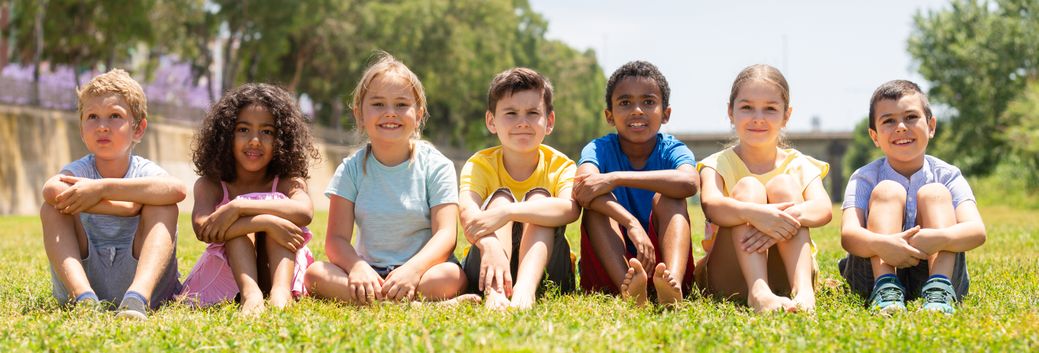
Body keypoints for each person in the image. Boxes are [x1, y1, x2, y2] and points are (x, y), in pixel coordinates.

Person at [304, 53, 472, 305]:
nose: (390, 113)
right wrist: (358, 267)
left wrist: (413, 270)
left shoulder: (437, 165)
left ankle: (379, 301)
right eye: (378, 104)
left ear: (418, 115)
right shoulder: (350, 169)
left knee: (452, 276)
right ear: (360, 114)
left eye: (402, 104)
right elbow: (336, 240)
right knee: (315, 274)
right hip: (370, 273)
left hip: (424, 271)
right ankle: (406, 304)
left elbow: (446, 235)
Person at [41, 69, 186, 320]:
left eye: (115, 116)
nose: (102, 127)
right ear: (82, 128)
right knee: (52, 208)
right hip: (88, 274)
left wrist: (102, 188)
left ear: (138, 129)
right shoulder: (81, 169)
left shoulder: (143, 170)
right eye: (93, 117)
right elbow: (51, 190)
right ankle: (83, 299)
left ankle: (137, 298)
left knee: (163, 205)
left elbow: (177, 190)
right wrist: (128, 206)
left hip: (140, 277)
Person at [839, 79, 986, 314]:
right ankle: (886, 288)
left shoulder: (947, 175)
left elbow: (977, 231)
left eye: (910, 117)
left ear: (931, 126)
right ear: (874, 136)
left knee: (935, 192)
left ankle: (939, 291)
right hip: (872, 275)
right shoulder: (864, 177)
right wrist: (883, 244)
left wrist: (941, 238)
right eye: (888, 121)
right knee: (887, 189)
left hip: (935, 268)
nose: (900, 127)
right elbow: (849, 236)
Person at [696, 64, 831, 313]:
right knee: (748, 187)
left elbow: (823, 208)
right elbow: (712, 205)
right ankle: (758, 293)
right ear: (730, 111)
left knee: (784, 185)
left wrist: (779, 221)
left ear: (786, 116)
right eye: (747, 107)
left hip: (787, 274)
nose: (758, 117)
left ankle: (803, 293)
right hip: (730, 276)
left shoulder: (798, 163)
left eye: (770, 109)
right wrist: (755, 214)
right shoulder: (716, 164)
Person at [180, 83, 320, 315]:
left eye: (267, 132)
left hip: (277, 269)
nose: (255, 140)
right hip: (232, 276)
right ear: (225, 135)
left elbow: (304, 212)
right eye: (243, 129)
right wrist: (266, 222)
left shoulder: (287, 182)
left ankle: (280, 293)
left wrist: (239, 206)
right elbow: (204, 229)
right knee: (237, 230)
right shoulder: (210, 184)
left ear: (281, 139)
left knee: (274, 202)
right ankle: (251, 295)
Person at [575, 60, 698, 306]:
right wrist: (630, 223)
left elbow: (689, 182)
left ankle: (671, 285)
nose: (637, 110)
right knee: (595, 208)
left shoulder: (672, 149)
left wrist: (615, 177)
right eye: (625, 102)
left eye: (649, 102)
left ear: (666, 114)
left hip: (662, 260)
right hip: (612, 264)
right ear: (609, 115)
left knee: (671, 198)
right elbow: (582, 188)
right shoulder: (599, 149)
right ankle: (630, 290)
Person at [459, 67, 580, 310]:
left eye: (533, 113)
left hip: (548, 271)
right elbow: (468, 214)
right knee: (500, 197)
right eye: (511, 113)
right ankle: (497, 293)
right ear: (491, 121)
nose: (522, 123)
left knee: (538, 198)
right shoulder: (479, 164)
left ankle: (524, 294)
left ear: (549, 122)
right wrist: (490, 245)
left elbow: (570, 209)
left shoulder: (561, 165)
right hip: (486, 267)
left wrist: (510, 212)